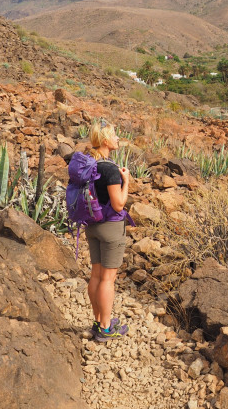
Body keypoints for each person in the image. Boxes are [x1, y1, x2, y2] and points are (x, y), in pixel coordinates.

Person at [85, 121, 131, 342]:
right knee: (108, 279)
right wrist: (126, 181)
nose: (117, 138)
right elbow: (119, 204)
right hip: (110, 227)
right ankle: (105, 328)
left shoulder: (90, 163)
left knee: (95, 275)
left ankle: (98, 321)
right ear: (104, 141)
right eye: (114, 135)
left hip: (92, 226)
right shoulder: (110, 169)